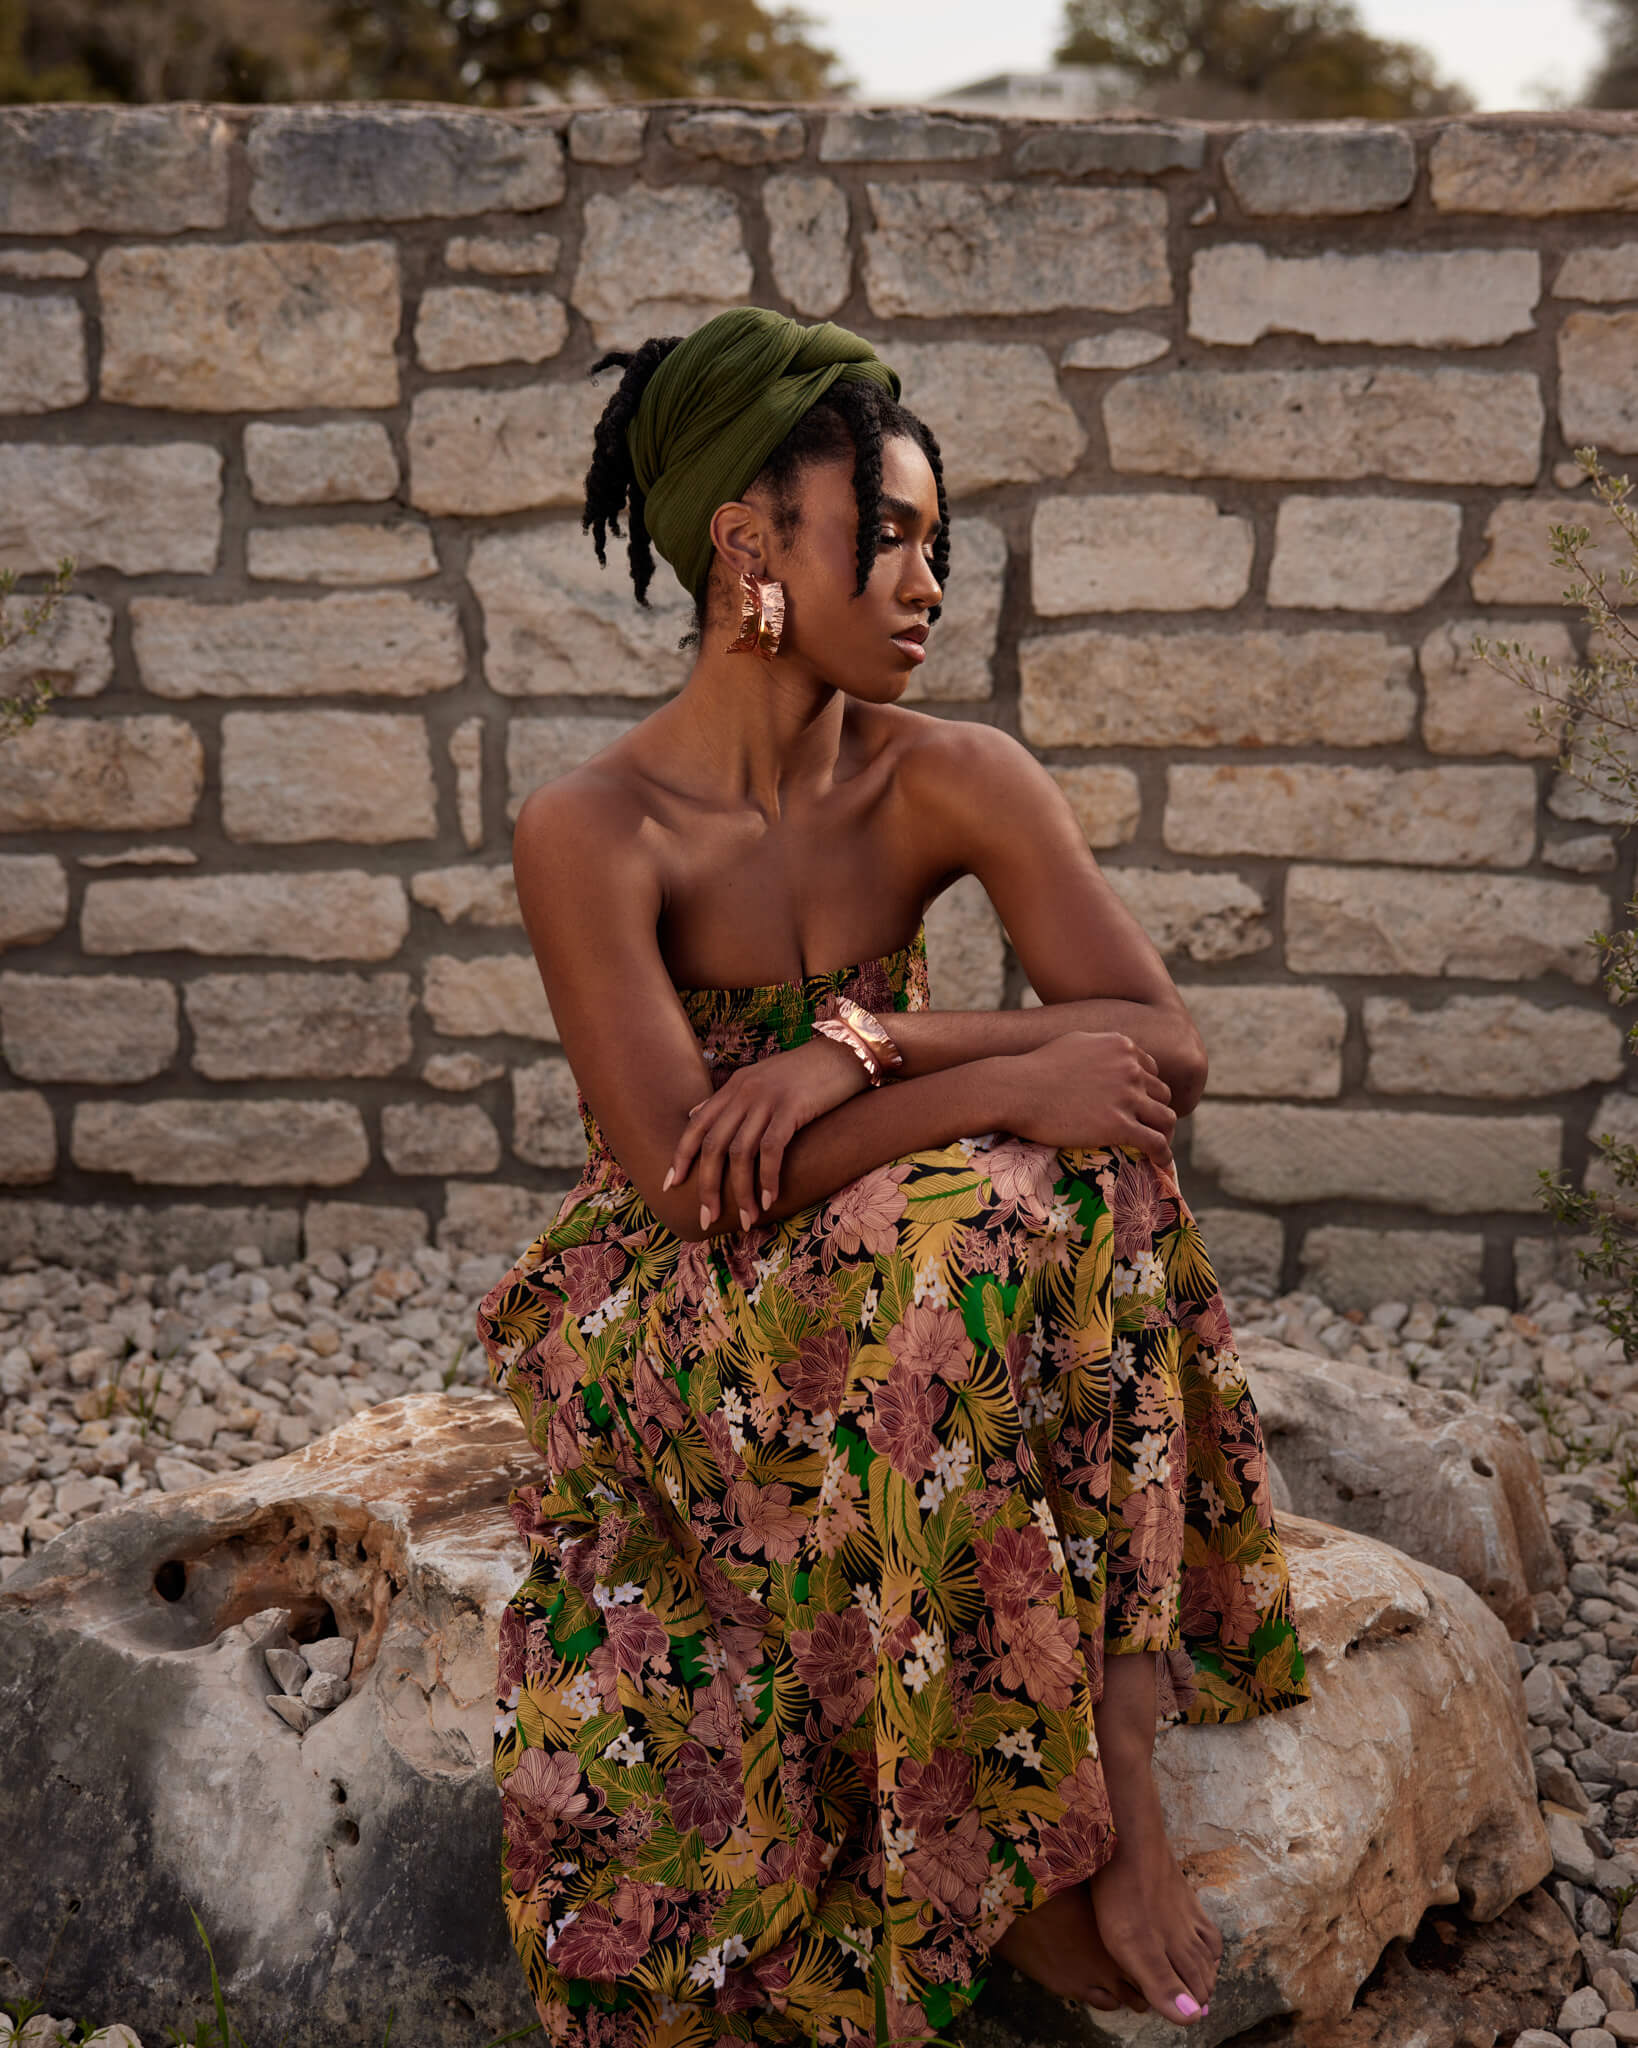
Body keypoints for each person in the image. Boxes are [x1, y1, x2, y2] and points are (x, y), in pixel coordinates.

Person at [474, 305, 1312, 2048]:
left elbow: (1160, 1049)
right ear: (749, 548)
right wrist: (998, 1079)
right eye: (889, 536)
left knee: (1065, 1190)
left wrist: (874, 1043)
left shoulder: (951, 775)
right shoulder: (595, 826)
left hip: (911, 1231)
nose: (930, 583)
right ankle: (1037, 1849)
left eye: (938, 540)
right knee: (996, 1212)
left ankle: (1111, 1781)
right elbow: (689, 1185)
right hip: (683, 1298)